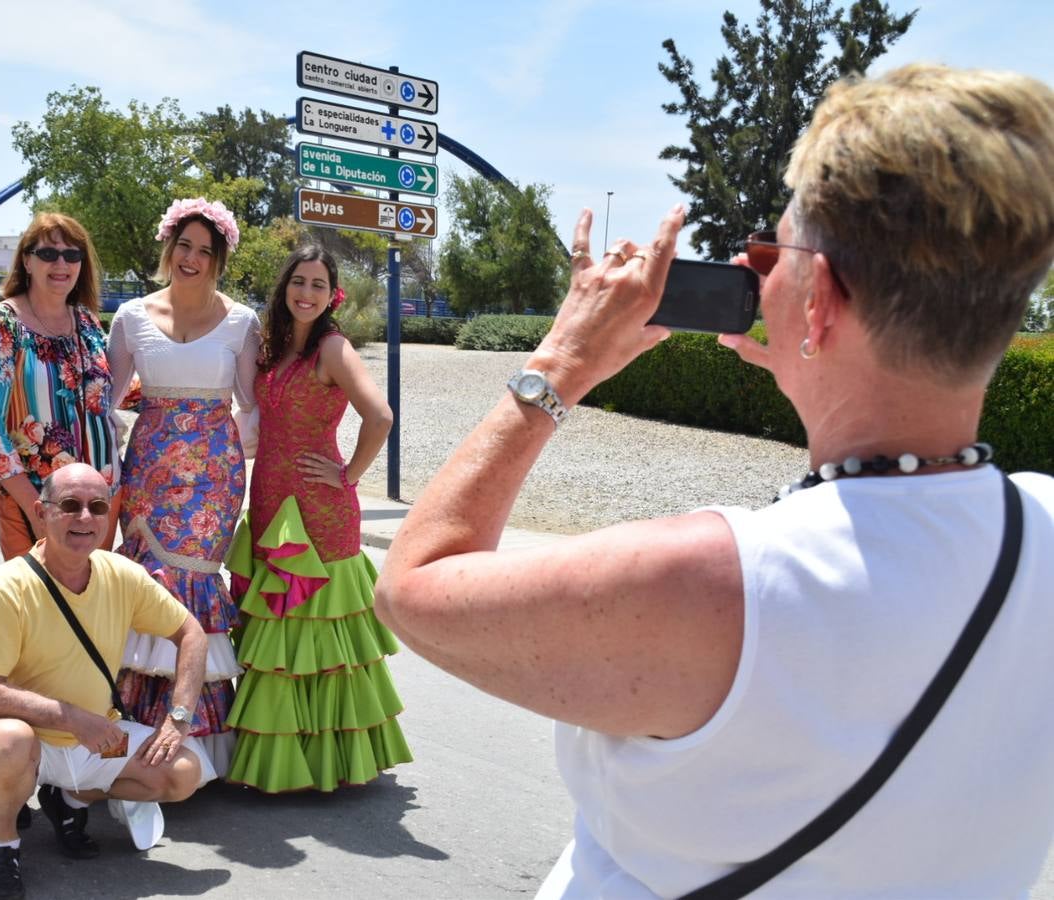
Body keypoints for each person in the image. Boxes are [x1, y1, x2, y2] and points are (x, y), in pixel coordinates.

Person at [374, 63, 1054, 897]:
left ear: (824, 300)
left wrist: (562, 363)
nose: (757, 270)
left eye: (776, 251)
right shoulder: (1042, 528)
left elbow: (413, 586)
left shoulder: (709, 579)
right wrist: (814, 354)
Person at [0, 463, 214, 900]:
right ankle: (3, 846)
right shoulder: (6, 586)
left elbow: (190, 633)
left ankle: (72, 800)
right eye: (70, 506)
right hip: (27, 736)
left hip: (94, 735)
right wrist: (72, 717)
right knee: (8, 744)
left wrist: (178, 717)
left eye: (97, 507)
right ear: (41, 513)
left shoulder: (121, 574)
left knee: (182, 774)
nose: (85, 518)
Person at [224, 245, 412, 791]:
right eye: (298, 282)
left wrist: (349, 474)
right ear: (285, 289)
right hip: (268, 498)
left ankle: (325, 760)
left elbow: (379, 415)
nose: (306, 293)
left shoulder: (332, 347)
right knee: (277, 632)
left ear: (333, 295)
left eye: (318, 285)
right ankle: (282, 753)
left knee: (317, 631)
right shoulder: (275, 347)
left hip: (318, 505)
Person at [107, 197, 261, 775]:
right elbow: (105, 403)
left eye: (205, 250)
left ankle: (197, 740)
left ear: (219, 259)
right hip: (148, 468)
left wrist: (253, 459)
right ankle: (137, 729)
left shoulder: (243, 321)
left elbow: (252, 405)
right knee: (149, 580)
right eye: (185, 246)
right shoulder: (130, 317)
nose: (192, 258)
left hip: (215, 478)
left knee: (195, 584)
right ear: (168, 248)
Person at [0, 212, 122, 560]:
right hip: (36, 503)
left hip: (100, 503)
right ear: (26, 260)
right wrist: (37, 508)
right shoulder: (2, 324)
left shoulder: (86, 321)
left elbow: (111, 394)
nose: (61, 264)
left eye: (72, 255)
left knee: (91, 609)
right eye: (48, 254)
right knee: (36, 609)